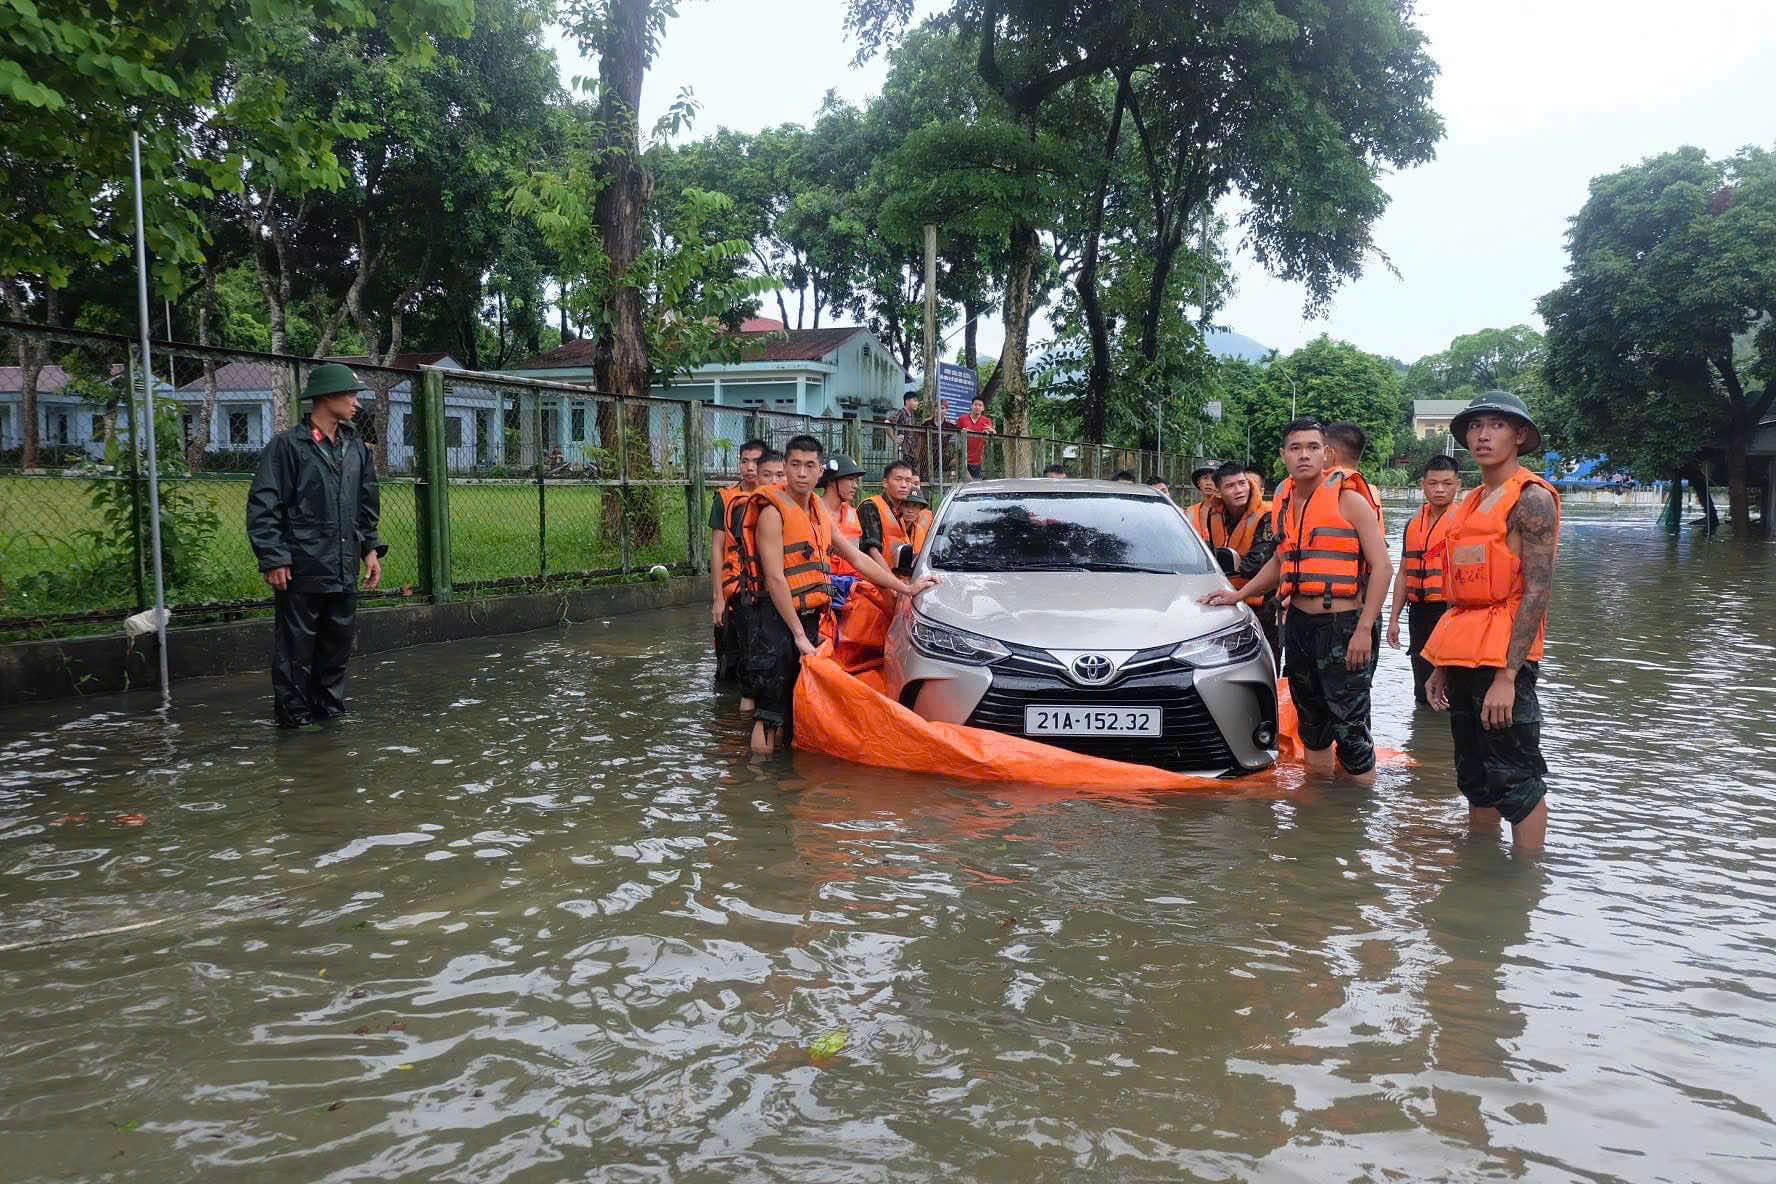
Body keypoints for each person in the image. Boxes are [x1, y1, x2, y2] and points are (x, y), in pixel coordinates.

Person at [1202, 418, 1392, 784]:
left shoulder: (1349, 500)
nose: (1304, 455)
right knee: (1312, 725)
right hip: (1300, 626)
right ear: (1283, 456)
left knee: (1350, 730)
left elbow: (1383, 567)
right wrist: (1239, 594)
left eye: (1312, 447)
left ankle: (1357, 821)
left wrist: (1365, 629)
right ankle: (1316, 814)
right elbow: (1281, 560)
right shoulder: (1287, 502)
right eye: (1295, 448)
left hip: (1344, 624)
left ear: (1327, 454)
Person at [738, 435, 938, 754]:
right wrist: (798, 636)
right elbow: (775, 579)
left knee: (795, 703)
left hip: (808, 618)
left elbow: (857, 559)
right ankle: (761, 786)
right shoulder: (772, 514)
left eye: (809, 466)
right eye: (795, 465)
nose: (802, 473)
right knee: (769, 713)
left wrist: (905, 587)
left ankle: (783, 783)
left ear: (820, 472)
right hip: (774, 621)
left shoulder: (817, 512)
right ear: (786, 469)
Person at [1423, 392, 1560, 850]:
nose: (1482, 435)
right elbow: (1460, 590)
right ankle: (1479, 869)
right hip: (1462, 655)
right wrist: (1441, 664)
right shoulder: (1470, 502)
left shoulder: (1532, 499)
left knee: (1515, 778)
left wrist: (1508, 676)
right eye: (1475, 426)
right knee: (1474, 773)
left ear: (1519, 435)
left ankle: (1525, 883)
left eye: (1497, 425)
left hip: (1504, 660)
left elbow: (1538, 591)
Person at [246, 363, 386, 728]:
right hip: (302, 568)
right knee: (295, 652)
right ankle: (294, 725)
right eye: (350, 394)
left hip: (343, 568)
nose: (357, 403)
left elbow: (366, 503)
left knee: (336, 650)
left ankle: (330, 722)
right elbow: (265, 504)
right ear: (326, 397)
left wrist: (369, 549)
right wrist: (273, 557)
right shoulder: (287, 446)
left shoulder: (356, 447)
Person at [1387, 455, 1463, 707]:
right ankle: (1423, 739)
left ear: (1458, 485)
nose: (1439, 489)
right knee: (1422, 680)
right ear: (1423, 484)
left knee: (1453, 684)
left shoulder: (1466, 523)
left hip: (1451, 612)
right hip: (1419, 611)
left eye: (1447, 483)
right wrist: (1394, 619)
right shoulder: (1412, 524)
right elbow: (1403, 573)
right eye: (1433, 483)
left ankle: (1448, 737)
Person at [711, 437, 768, 688]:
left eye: (755, 462)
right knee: (728, 663)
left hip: (765, 592)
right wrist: (718, 599)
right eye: (745, 461)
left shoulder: (774, 499)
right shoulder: (725, 499)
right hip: (733, 590)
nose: (749, 468)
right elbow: (716, 548)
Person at [1211, 460, 1280, 663]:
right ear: (1218, 492)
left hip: (1264, 602)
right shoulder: (1212, 515)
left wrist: (1219, 571)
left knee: (1267, 660)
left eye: (1242, 483)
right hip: (1225, 600)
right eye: (1230, 486)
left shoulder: (1268, 515)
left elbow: (1257, 561)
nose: (1239, 490)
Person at [818, 453, 866, 602]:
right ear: (832, 481)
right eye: (850, 479)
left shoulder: (852, 513)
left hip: (851, 587)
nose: (855, 486)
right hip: (821, 588)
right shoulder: (812, 512)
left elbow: (857, 558)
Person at [858, 459, 917, 568]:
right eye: (898, 479)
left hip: (897, 578)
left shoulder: (898, 512)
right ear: (885, 483)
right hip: (875, 581)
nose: (904, 485)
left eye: (908, 480)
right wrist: (894, 583)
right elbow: (872, 552)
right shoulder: (870, 506)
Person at [956, 396, 994, 480]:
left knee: (975, 484)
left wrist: (992, 432)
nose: (977, 407)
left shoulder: (986, 421)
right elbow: (955, 436)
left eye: (980, 405)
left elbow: (992, 435)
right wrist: (962, 432)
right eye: (975, 404)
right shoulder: (962, 419)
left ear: (983, 408)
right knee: (963, 483)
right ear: (971, 406)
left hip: (978, 460)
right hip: (962, 459)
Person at [888, 391, 923, 476]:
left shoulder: (912, 415)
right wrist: (894, 438)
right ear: (907, 401)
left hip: (912, 452)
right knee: (903, 473)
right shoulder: (901, 412)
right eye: (914, 400)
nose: (917, 403)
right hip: (904, 451)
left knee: (912, 475)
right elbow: (887, 422)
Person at [1188, 466, 1221, 538]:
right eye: (1205, 478)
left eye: (1213, 479)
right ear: (1199, 483)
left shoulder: (1227, 511)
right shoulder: (1190, 511)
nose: (1208, 483)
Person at [899, 488, 934, 554]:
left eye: (915, 506)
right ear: (900, 507)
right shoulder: (893, 527)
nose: (910, 511)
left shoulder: (919, 530)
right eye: (906, 505)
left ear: (920, 509)